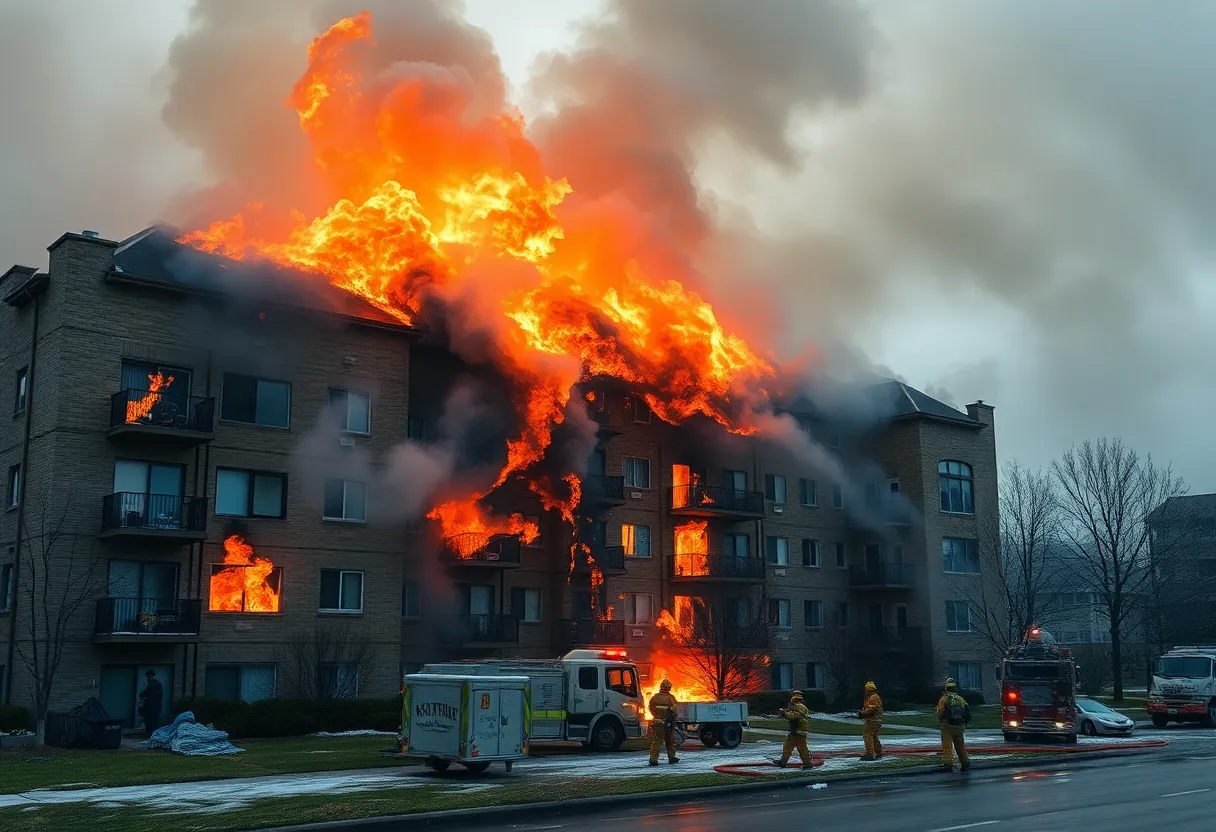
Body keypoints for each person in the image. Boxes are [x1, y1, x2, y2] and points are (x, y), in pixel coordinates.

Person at [936, 678, 971, 772]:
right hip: (959, 727)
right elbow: (967, 711)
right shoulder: (961, 699)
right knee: (960, 746)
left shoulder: (944, 699)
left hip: (947, 726)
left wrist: (940, 719)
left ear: (946, 689)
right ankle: (965, 762)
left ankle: (948, 764)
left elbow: (940, 712)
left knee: (947, 745)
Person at [774, 691, 812, 768]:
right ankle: (807, 764)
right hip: (799, 731)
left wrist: (784, 713)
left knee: (792, 747)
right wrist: (785, 712)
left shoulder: (798, 707)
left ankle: (784, 762)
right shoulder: (801, 707)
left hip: (797, 731)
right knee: (797, 747)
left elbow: (794, 716)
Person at [648, 679, 680, 766]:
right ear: (669, 688)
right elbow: (675, 710)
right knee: (670, 741)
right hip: (668, 723)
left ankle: (653, 759)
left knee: (657, 741)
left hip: (657, 722)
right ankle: (671, 758)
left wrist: (657, 716)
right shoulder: (671, 698)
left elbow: (651, 708)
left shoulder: (655, 697)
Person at [859, 681, 884, 761]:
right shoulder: (871, 697)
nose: (865, 690)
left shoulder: (873, 697)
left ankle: (869, 754)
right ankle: (878, 752)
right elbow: (869, 708)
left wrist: (862, 713)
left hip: (872, 721)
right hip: (874, 720)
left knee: (867, 736)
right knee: (873, 736)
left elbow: (872, 708)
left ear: (869, 689)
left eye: (866, 689)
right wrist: (863, 712)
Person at [139, 670, 164, 739]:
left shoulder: (153, 683)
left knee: (151, 721)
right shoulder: (156, 683)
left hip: (152, 706)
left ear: (150, 675)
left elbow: (146, 692)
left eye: (147, 676)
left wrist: (142, 695)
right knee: (153, 721)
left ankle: (151, 734)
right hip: (154, 706)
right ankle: (152, 734)